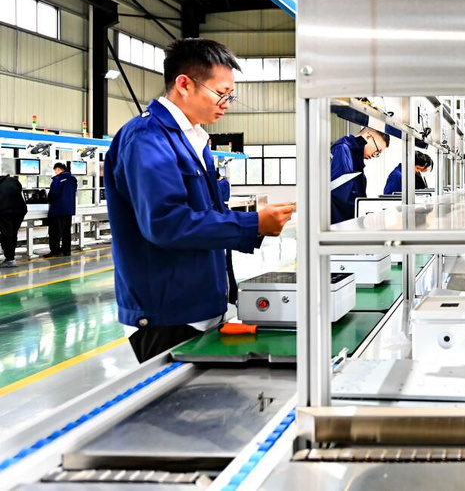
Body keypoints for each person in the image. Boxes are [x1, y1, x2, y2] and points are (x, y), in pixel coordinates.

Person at [105, 38, 295, 363]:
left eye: (230, 95)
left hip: (201, 304)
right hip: (168, 313)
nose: (227, 103)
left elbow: (203, 213)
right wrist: (253, 224)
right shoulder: (147, 139)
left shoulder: (192, 139)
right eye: (221, 93)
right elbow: (166, 223)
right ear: (184, 84)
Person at [330, 127, 390, 224]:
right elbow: (339, 195)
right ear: (369, 136)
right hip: (341, 224)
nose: (374, 155)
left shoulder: (355, 156)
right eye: (377, 151)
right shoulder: (343, 149)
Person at [45, 162, 77, 258]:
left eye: (55, 170)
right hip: (69, 210)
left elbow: (54, 193)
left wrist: (48, 200)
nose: (55, 172)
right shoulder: (72, 179)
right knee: (66, 231)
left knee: (55, 232)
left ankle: (55, 251)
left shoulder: (58, 179)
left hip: (57, 210)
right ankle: (66, 251)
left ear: (58, 169)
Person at [0, 173, 27, 268]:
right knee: (11, 234)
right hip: (20, 211)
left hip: (5, 211)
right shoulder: (13, 180)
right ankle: (10, 258)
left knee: (7, 235)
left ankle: (10, 259)